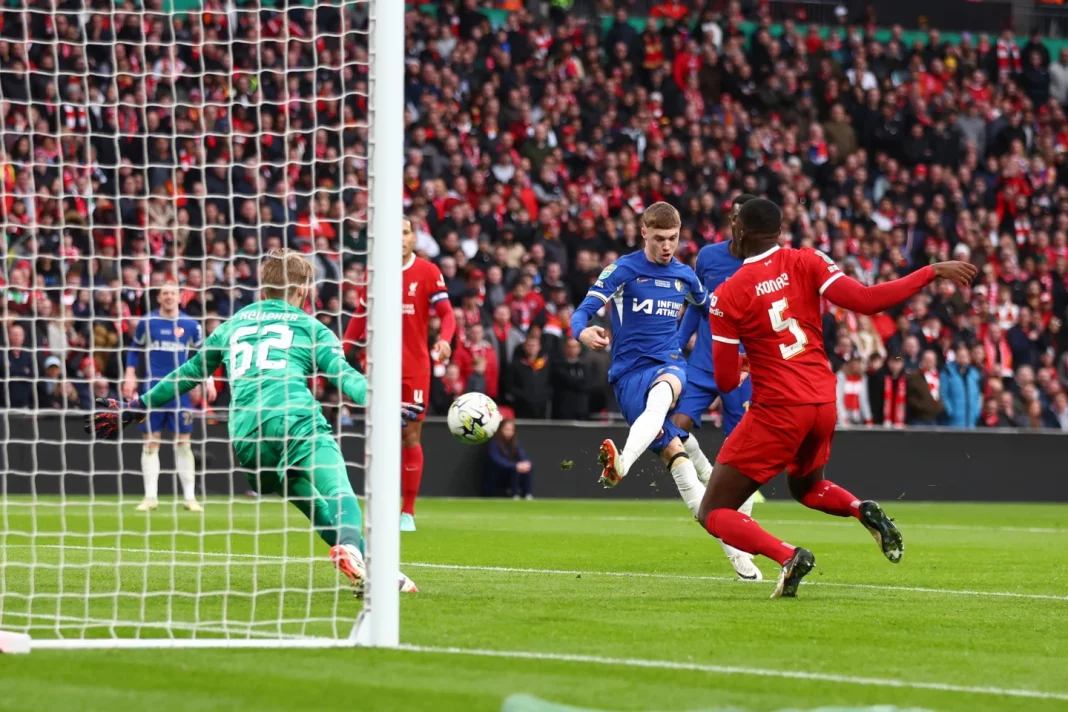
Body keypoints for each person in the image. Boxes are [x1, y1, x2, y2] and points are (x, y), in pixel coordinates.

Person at [87, 249, 421, 594]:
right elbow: (344, 376)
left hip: (247, 439)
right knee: (338, 491)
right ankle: (352, 549)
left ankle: (376, 572)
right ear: (303, 289)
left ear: (264, 290)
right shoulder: (310, 327)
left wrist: (136, 405)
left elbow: (188, 374)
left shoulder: (233, 325)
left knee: (310, 502)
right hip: (294, 419)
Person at [699, 199, 976, 598]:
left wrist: (747, 360)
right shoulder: (807, 260)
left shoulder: (727, 294)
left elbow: (725, 382)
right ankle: (859, 508)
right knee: (806, 486)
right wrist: (931, 271)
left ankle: (787, 555)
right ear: (779, 230)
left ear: (740, 232)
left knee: (714, 510)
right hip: (822, 402)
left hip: (779, 409)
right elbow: (867, 300)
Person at [569, 202, 708, 521]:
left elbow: (708, 311)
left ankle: (623, 463)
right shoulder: (623, 270)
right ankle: (741, 561)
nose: (667, 245)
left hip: (669, 364)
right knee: (679, 453)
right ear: (644, 233)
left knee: (662, 397)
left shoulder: (684, 275)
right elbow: (581, 312)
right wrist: (582, 332)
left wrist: (687, 340)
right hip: (628, 377)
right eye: (659, 238)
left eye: (673, 238)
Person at [343, 217, 456, 532]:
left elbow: (447, 314)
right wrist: (342, 349)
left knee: (409, 435)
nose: (400, 238)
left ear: (413, 237)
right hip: (378, 368)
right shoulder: (375, 272)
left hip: (414, 369)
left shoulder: (428, 272)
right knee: (378, 438)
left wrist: (445, 339)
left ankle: (407, 511)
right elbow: (359, 317)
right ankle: (378, 505)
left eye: (405, 232)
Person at [673, 193, 763, 581]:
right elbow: (697, 305)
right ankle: (707, 473)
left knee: (743, 455)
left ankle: (740, 543)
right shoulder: (708, 257)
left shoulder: (767, 263)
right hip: (704, 364)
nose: (741, 227)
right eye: (737, 219)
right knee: (673, 430)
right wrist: (674, 348)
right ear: (731, 220)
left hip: (745, 370)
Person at [122, 282, 216, 512]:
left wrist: (209, 381)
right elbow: (134, 351)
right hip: (153, 390)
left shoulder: (190, 325)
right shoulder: (147, 322)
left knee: (183, 442)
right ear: (159, 297)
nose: (169, 297)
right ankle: (150, 497)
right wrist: (129, 376)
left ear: (179, 297)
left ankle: (189, 497)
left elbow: (203, 355)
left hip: (180, 391)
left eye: (173, 293)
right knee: (151, 442)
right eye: (165, 293)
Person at [484, 419, 533, 499]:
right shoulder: (494, 443)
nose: (509, 432)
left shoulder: (515, 443)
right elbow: (497, 460)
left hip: (511, 472)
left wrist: (527, 464)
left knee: (524, 468)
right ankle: (515, 495)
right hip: (498, 474)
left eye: (511, 430)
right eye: (507, 429)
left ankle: (527, 495)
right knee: (515, 469)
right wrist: (515, 466)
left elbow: (523, 456)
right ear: (501, 430)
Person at [941, 343, 982, 428]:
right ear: (956, 356)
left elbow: (978, 395)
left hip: (971, 419)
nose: (963, 358)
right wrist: (950, 411)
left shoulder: (974, 374)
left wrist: (976, 412)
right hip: (953, 420)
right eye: (960, 355)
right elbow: (943, 394)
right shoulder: (948, 372)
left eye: (965, 356)